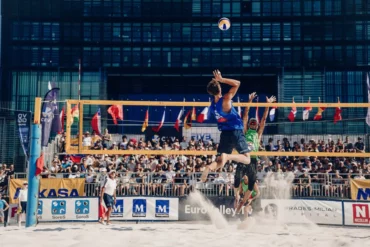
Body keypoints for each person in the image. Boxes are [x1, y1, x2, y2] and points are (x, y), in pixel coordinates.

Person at [201, 70, 252, 183]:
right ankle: (228, 157)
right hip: (236, 131)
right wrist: (221, 79)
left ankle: (209, 167)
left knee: (219, 161)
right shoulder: (226, 100)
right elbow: (237, 83)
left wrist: (217, 83)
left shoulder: (212, 106)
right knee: (247, 159)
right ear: (219, 89)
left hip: (225, 133)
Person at [235, 93, 276, 207]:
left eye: (254, 123)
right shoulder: (246, 131)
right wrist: (249, 101)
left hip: (253, 159)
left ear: (256, 125)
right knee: (238, 178)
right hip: (244, 157)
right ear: (249, 125)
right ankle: (237, 197)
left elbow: (263, 119)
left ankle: (246, 201)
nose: (253, 124)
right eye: (251, 123)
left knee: (251, 183)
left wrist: (267, 105)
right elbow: (245, 116)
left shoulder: (258, 134)